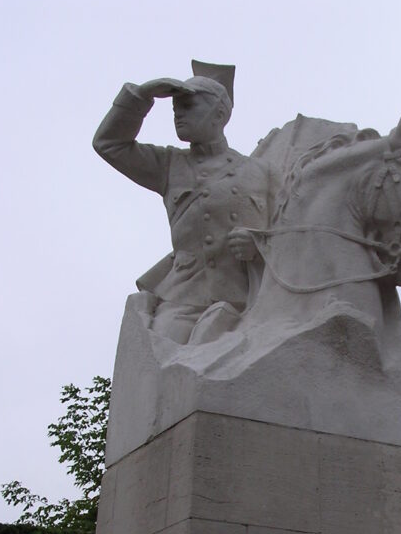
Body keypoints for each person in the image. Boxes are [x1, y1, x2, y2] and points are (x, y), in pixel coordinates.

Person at [93, 63, 274, 343]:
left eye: (189, 106)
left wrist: (260, 245)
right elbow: (109, 144)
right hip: (184, 300)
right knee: (162, 357)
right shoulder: (169, 165)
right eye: (176, 107)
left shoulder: (260, 172)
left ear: (220, 114)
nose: (178, 113)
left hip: (247, 298)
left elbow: (289, 229)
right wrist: (141, 96)